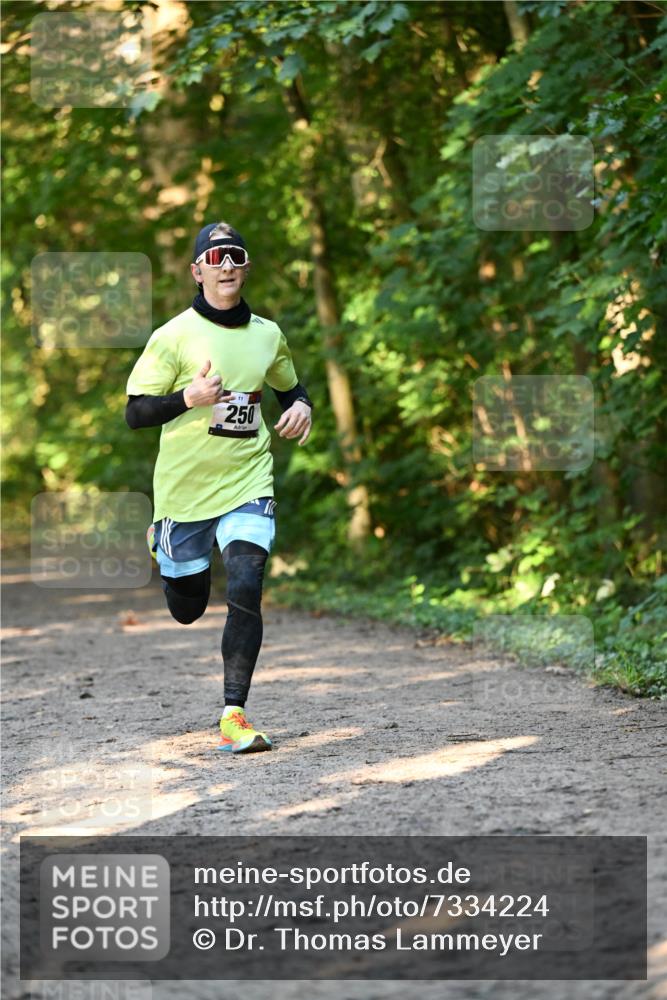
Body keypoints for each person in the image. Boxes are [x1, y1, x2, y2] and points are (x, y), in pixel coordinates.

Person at [125, 221, 313, 754]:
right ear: (198, 271)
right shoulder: (172, 336)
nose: (226, 264)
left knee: (248, 580)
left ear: (246, 267)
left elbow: (290, 390)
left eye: (235, 255)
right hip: (184, 492)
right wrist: (188, 398)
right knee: (187, 608)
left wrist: (302, 406)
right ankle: (164, 546)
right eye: (215, 257)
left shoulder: (268, 334)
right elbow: (135, 413)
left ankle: (234, 713)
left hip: (247, 477)